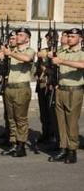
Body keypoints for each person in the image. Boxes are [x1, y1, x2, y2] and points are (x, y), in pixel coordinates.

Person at [0, 27, 35, 157]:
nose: (18, 37)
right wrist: (1, 57)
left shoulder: (29, 51)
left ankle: (21, 145)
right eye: (17, 35)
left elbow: (26, 59)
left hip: (21, 88)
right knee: (11, 118)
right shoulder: (12, 50)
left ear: (27, 38)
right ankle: (13, 143)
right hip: (9, 87)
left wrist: (10, 54)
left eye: (21, 35)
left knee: (21, 119)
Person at [49, 28, 84, 164]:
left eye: (73, 36)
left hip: (74, 90)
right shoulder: (61, 52)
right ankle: (63, 148)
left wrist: (61, 61)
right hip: (61, 89)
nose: (70, 38)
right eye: (68, 36)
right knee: (61, 121)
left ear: (80, 39)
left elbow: (82, 65)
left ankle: (72, 150)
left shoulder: (81, 53)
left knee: (72, 122)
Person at [36, 29, 59, 147]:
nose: (49, 41)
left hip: (52, 85)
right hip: (42, 84)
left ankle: (55, 135)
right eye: (48, 39)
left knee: (53, 112)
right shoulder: (43, 51)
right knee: (43, 111)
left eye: (52, 39)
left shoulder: (59, 52)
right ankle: (45, 133)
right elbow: (37, 65)